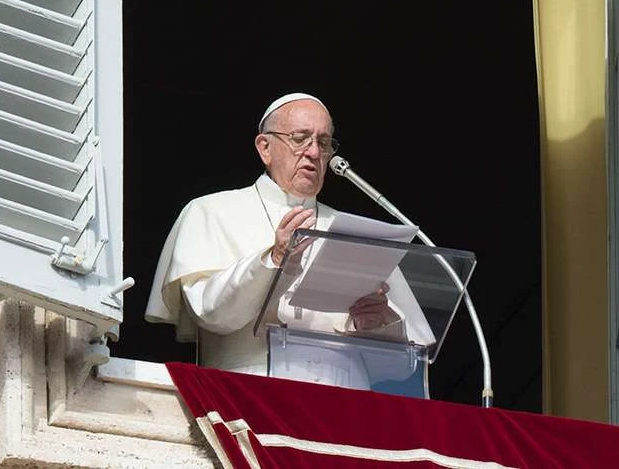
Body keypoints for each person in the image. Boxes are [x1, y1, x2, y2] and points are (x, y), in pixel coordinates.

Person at [144, 93, 422, 388]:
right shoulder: (209, 211)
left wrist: (379, 323)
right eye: (300, 138)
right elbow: (211, 313)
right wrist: (274, 259)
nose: (314, 152)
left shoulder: (357, 233)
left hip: (348, 402)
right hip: (251, 392)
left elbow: (400, 369)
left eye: (324, 142)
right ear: (265, 147)